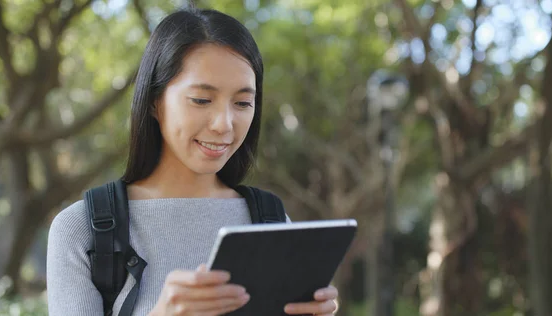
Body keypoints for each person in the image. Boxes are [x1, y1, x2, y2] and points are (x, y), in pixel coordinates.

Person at [46, 7, 339, 316]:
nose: (224, 124)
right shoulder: (81, 229)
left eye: (242, 103)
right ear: (154, 102)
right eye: (202, 100)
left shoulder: (272, 223)